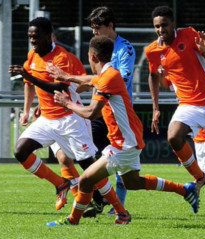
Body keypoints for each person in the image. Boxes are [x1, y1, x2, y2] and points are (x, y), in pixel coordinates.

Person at [47, 35, 199, 226]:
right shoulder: (109, 73)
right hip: (128, 139)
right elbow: (92, 79)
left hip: (124, 144)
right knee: (132, 183)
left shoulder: (108, 78)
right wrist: (66, 76)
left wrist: (67, 103)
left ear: (92, 57)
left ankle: (72, 220)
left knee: (85, 180)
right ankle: (185, 190)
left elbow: (91, 113)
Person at [9, 17, 127, 213]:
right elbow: (29, 85)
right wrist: (28, 109)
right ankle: (61, 184)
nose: (33, 41)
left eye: (36, 37)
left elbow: (61, 87)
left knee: (87, 165)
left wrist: (30, 77)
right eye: (30, 37)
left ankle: (117, 207)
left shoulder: (61, 57)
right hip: (47, 119)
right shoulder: (32, 56)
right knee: (20, 151)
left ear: (49, 36)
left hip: (70, 118)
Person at [48, 6, 136, 216]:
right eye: (93, 29)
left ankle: (113, 206)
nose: (95, 33)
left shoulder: (125, 48)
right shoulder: (100, 48)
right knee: (84, 153)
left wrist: (82, 83)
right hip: (99, 109)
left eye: (98, 28)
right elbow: (95, 78)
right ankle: (98, 199)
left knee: (122, 165)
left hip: (117, 112)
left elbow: (119, 79)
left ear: (110, 26)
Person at [145, 6, 205, 197]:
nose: (161, 30)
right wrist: (155, 107)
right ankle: (199, 177)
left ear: (173, 24)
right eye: (157, 27)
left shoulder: (189, 35)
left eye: (164, 25)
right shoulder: (152, 50)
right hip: (188, 105)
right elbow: (153, 76)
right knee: (173, 136)